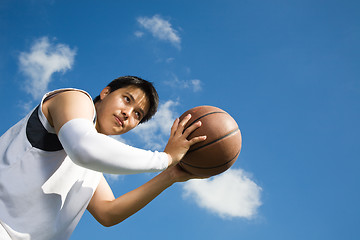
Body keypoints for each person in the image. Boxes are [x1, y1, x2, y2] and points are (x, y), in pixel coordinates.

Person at [0, 76, 206, 240]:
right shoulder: (74, 98)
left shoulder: (90, 165)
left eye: (137, 115)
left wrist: (171, 175)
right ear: (105, 92)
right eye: (127, 99)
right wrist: (165, 158)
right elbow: (83, 147)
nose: (128, 114)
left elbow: (108, 212)